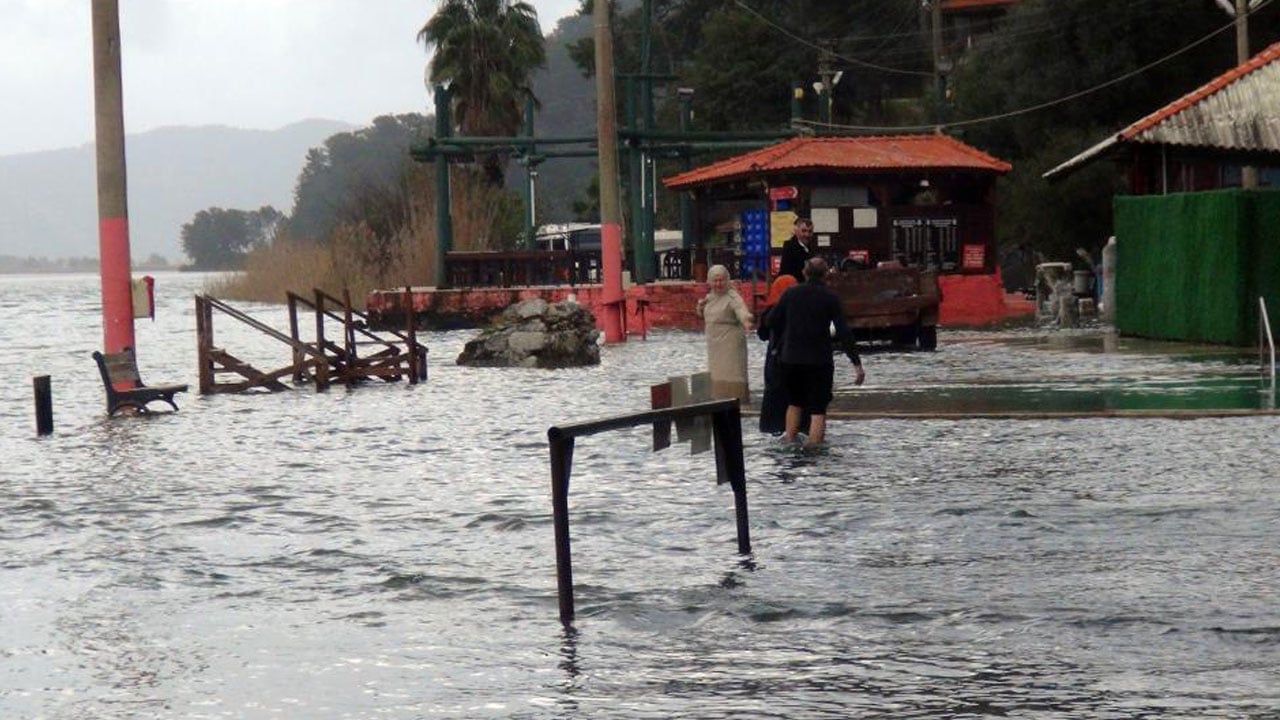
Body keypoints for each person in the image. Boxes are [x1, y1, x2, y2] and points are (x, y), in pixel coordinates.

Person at [767, 257, 866, 447]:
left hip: (791, 359)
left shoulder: (790, 294)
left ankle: (789, 441)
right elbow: (844, 332)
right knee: (818, 409)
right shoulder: (830, 298)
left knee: (794, 402)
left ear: (804, 273)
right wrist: (857, 364)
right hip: (819, 361)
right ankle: (814, 449)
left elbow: (771, 320)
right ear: (826, 275)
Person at [696, 264, 753, 403]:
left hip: (730, 341)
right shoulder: (709, 298)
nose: (718, 284)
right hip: (714, 343)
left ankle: (737, 400)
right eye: (715, 281)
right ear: (710, 281)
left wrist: (746, 321)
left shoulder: (733, 297)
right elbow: (703, 314)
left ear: (727, 280)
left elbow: (741, 310)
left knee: (732, 372)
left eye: (721, 280)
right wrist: (700, 308)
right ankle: (719, 401)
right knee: (717, 373)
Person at [756, 274, 800, 434]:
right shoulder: (800, 309)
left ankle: (773, 427)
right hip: (797, 359)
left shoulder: (771, 310)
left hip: (775, 359)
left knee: (774, 397)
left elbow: (762, 334)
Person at [777, 217, 816, 283]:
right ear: (796, 231)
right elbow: (787, 272)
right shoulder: (790, 247)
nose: (807, 234)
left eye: (810, 231)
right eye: (804, 231)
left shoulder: (811, 246)